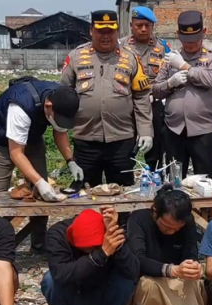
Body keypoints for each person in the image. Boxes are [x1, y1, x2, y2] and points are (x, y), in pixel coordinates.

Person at [0, 77, 82, 254]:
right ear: (48, 106)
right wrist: (38, 181)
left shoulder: (61, 99)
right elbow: (15, 153)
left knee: (42, 194)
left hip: (32, 137)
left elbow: (60, 131)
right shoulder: (21, 106)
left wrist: (71, 161)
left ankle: (39, 245)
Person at [61, 10, 153, 187]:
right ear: (91, 31)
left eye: (110, 31)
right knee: (85, 193)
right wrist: (62, 129)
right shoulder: (76, 57)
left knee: (122, 193)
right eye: (100, 31)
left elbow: (141, 97)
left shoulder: (130, 58)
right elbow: (63, 94)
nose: (106, 36)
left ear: (117, 31)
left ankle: (124, 217)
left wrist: (146, 131)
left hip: (121, 140)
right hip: (86, 139)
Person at [123, 185, 211, 305]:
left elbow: (190, 250)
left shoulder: (186, 222)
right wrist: (170, 270)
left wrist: (192, 266)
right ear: (155, 212)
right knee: (149, 287)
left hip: (176, 276)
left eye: (176, 229)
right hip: (150, 276)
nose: (171, 232)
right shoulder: (138, 220)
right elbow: (138, 259)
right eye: (166, 226)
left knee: (194, 284)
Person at [41, 207, 139, 305]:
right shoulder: (57, 234)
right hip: (73, 292)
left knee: (125, 278)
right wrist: (100, 254)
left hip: (103, 292)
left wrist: (117, 247)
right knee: (50, 280)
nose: (91, 251)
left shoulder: (112, 232)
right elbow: (60, 274)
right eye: (87, 250)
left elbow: (133, 271)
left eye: (95, 247)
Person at [153, 10, 212, 182]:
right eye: (186, 39)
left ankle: (207, 210)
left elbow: (210, 80)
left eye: (195, 39)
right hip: (174, 129)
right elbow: (155, 90)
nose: (190, 44)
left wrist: (184, 66)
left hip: (203, 131)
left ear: (204, 32)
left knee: (207, 181)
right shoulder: (170, 59)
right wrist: (170, 83)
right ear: (178, 34)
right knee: (175, 180)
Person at [120, 6, 170, 171]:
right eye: (139, 25)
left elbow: (170, 73)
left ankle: (156, 176)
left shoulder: (163, 47)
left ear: (152, 27)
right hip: (127, 105)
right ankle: (125, 176)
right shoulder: (120, 46)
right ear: (131, 25)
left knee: (155, 148)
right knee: (126, 147)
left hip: (153, 104)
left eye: (147, 26)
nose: (143, 29)